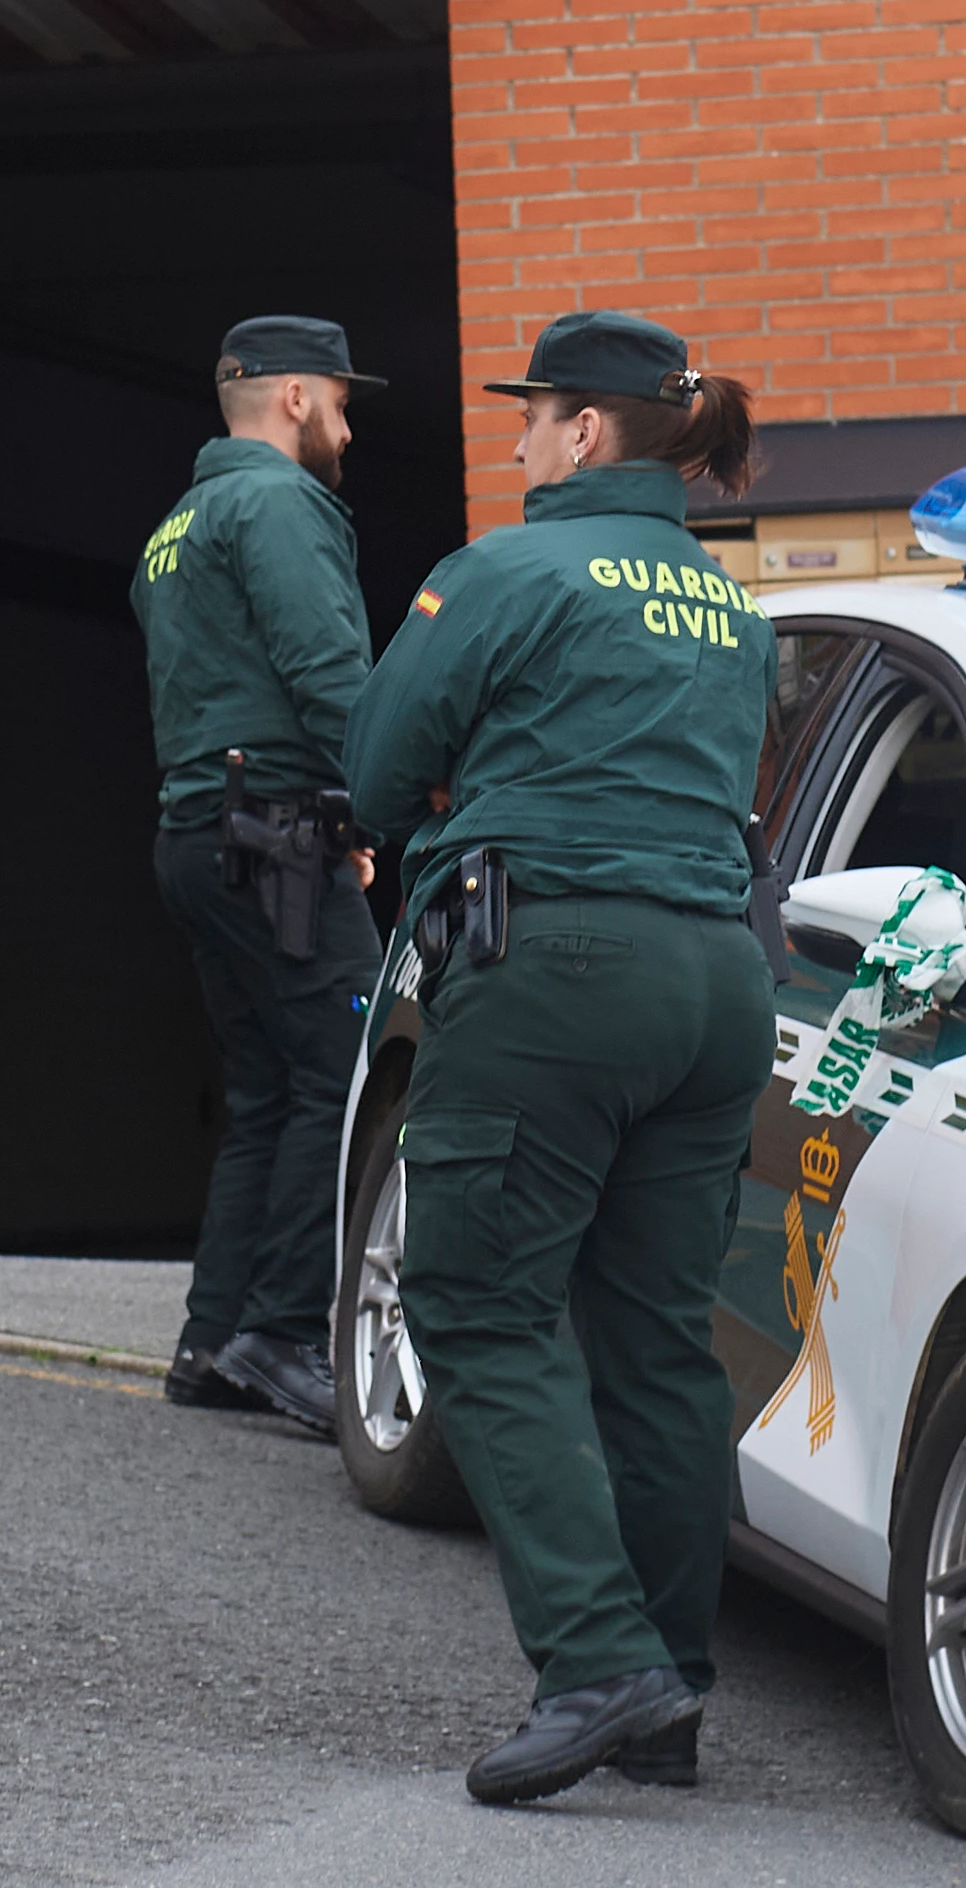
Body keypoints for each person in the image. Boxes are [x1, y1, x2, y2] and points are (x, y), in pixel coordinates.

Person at [343, 309, 772, 1802]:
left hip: (557, 970)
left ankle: (597, 1663)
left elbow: (378, 770)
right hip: (720, 982)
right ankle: (673, 1696)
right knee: (655, 1335)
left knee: (474, 1293)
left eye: (531, 417)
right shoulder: (738, 614)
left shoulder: (504, 571)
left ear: (585, 431)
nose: (518, 440)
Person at [132, 315, 387, 1434]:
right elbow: (329, 671)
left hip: (204, 836)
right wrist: (394, 791)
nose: (346, 428)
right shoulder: (279, 505)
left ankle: (213, 1339)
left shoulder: (177, 524)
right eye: (338, 403)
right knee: (343, 1078)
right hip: (276, 842)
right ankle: (284, 1336)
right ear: (292, 398)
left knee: (268, 1093)